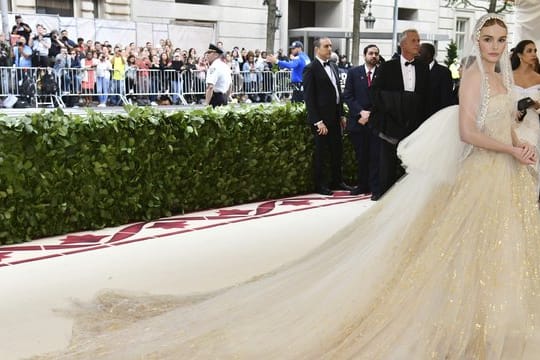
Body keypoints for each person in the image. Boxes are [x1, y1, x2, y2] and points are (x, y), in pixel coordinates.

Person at [34, 14, 540, 359]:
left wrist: (523, 145)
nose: (495, 47)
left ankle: (486, 322)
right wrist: (510, 149)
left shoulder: (507, 82)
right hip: (484, 170)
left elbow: (506, 124)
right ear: (477, 42)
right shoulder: (472, 77)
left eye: (501, 40)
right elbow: (468, 132)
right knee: (451, 247)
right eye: (488, 39)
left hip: (507, 173)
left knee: (498, 250)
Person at [368, 28, 431, 199]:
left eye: (419, 40)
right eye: (414, 41)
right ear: (402, 44)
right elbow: (374, 93)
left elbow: (427, 97)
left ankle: (408, 202)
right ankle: (384, 200)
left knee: (412, 166)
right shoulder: (387, 67)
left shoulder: (424, 68)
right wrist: (394, 106)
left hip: (415, 126)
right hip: (390, 125)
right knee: (387, 166)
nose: (418, 44)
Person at [303, 37, 352, 195]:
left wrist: (342, 114)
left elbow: (338, 93)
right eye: (326, 46)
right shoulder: (310, 68)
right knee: (321, 153)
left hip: (335, 117)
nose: (330, 49)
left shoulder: (333, 66)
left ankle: (337, 181)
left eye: (331, 46)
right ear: (317, 49)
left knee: (337, 151)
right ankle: (320, 185)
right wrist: (318, 121)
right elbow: (309, 98)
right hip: (321, 120)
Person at [343, 44, 381, 197]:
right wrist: (360, 112)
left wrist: (370, 114)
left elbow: (384, 97)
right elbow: (348, 95)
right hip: (358, 122)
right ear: (364, 55)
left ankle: (375, 187)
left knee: (375, 156)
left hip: (376, 121)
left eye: (376, 54)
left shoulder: (383, 73)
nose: (373, 56)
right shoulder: (353, 72)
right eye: (371, 53)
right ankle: (362, 185)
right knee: (361, 156)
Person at [511, 39, 540, 186]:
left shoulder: (539, 78)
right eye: (529, 51)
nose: (534, 54)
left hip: (532, 125)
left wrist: (536, 105)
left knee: (531, 162)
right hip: (511, 125)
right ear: (520, 55)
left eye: (535, 50)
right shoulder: (508, 76)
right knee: (511, 163)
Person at [418, 42, 456, 115]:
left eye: (420, 53)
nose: (416, 55)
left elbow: (446, 99)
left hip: (435, 116)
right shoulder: (416, 69)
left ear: (428, 55)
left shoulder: (444, 72)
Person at [204, 43, 231, 107]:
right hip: (224, 98)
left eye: (209, 53)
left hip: (215, 99)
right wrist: (226, 98)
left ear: (216, 55)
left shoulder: (214, 67)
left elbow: (210, 87)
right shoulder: (225, 66)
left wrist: (206, 104)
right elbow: (230, 85)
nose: (207, 55)